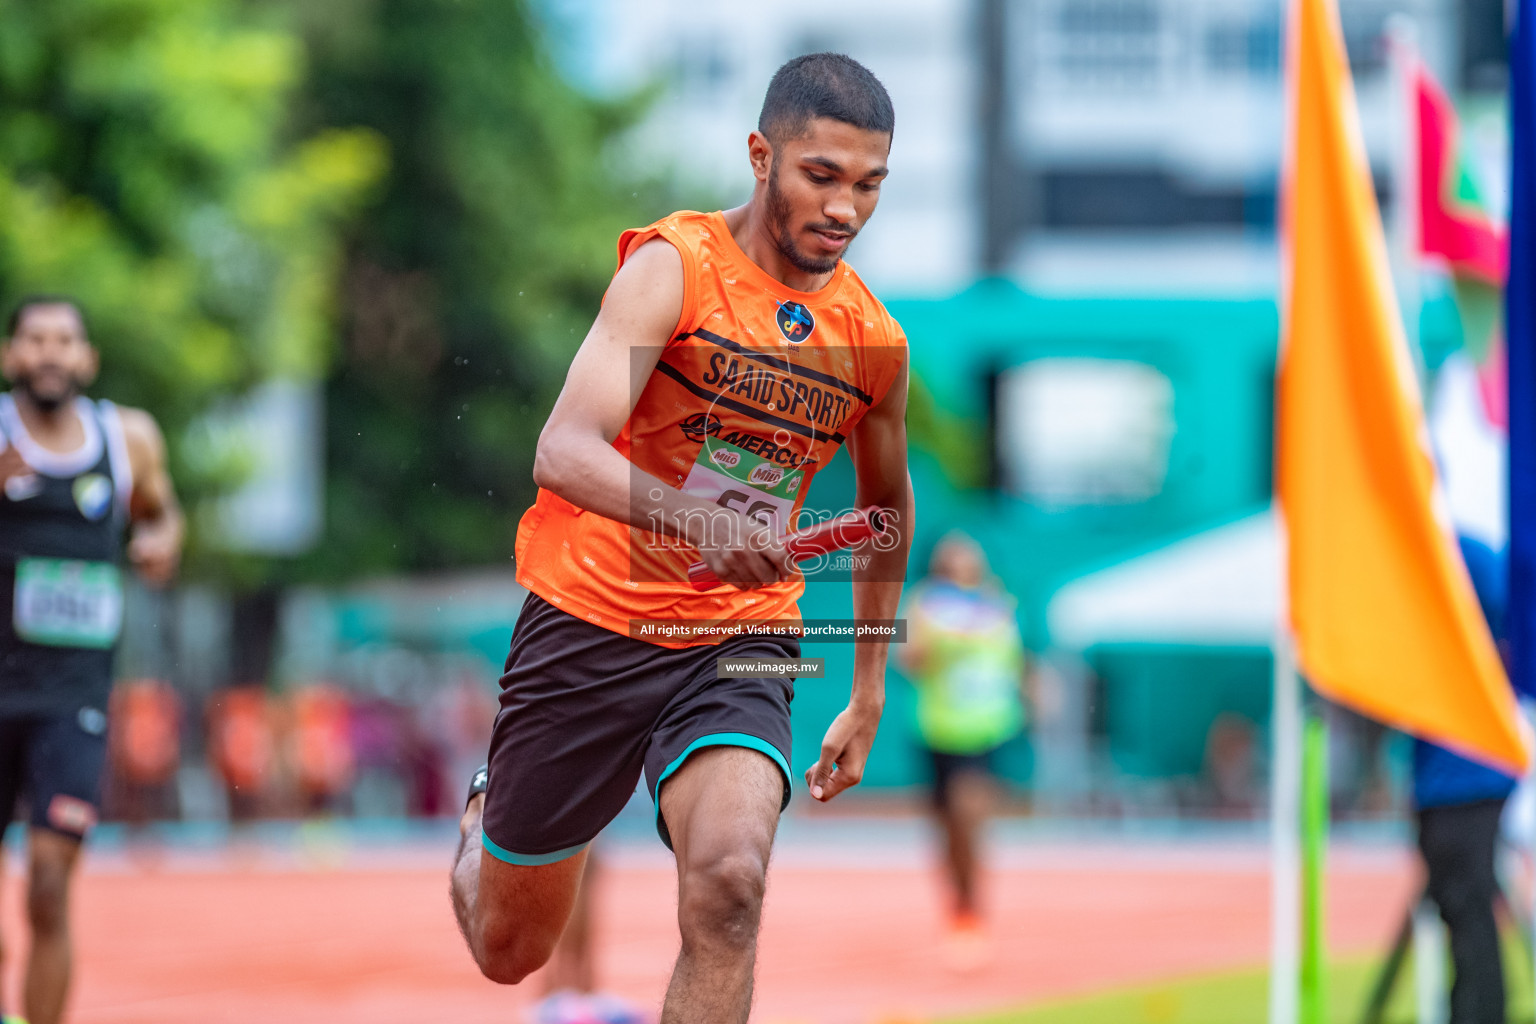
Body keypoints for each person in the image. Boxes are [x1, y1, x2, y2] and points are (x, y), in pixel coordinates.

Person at [449, 53, 912, 1023]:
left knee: (731, 884)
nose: (845, 209)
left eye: (868, 184)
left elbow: (885, 514)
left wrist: (867, 691)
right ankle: (489, 808)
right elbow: (564, 449)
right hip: (590, 621)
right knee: (507, 947)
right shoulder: (674, 271)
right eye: (820, 176)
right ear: (760, 156)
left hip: (737, 642)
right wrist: (699, 515)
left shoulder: (873, 343)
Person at [0, 296, 183, 1024]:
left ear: (87, 359)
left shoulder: (126, 438)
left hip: (71, 697)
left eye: (64, 341)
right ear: (13, 355)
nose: (49, 353)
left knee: (49, 882)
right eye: (34, 340)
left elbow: (163, 512)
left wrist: (163, 540)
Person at [897, 532, 1026, 970]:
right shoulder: (925, 603)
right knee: (948, 829)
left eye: (969, 551)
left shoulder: (998, 606)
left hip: (986, 730)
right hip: (937, 729)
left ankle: (971, 912)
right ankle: (958, 906)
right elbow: (907, 659)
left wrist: (1035, 687)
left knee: (969, 816)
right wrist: (931, 644)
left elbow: (1014, 661)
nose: (962, 559)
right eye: (952, 553)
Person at [1411, 535, 1517, 1024]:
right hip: (1456, 774)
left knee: (1467, 908)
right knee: (1462, 909)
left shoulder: (1462, 556)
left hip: (1467, 777)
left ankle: (1481, 1013)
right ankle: (1474, 1010)